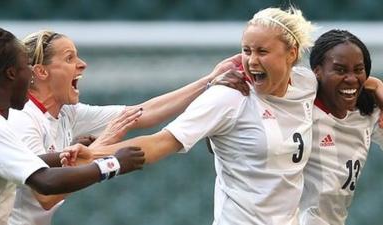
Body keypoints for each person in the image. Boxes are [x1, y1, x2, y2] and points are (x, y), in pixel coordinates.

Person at [82, 7, 318, 224]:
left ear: (291, 53)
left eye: (262, 51)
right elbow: (161, 142)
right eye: (246, 51)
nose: (252, 60)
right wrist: (94, 155)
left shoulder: (307, 84)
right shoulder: (230, 96)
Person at [6, 31, 244, 225]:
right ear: (41, 71)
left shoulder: (66, 112)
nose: (82, 64)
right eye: (69, 58)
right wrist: (102, 149)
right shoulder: (23, 120)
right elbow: (45, 196)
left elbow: (141, 113)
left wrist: (209, 81)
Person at [0, 27, 145, 225]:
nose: (31, 74)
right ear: (11, 74)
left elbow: (27, 160)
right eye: (26, 66)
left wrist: (67, 155)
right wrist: (113, 164)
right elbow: (45, 182)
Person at [298, 29, 383, 225]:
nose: (352, 79)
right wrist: (211, 80)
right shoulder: (297, 104)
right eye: (340, 70)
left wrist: (379, 87)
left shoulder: (366, 114)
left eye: (358, 70)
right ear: (316, 71)